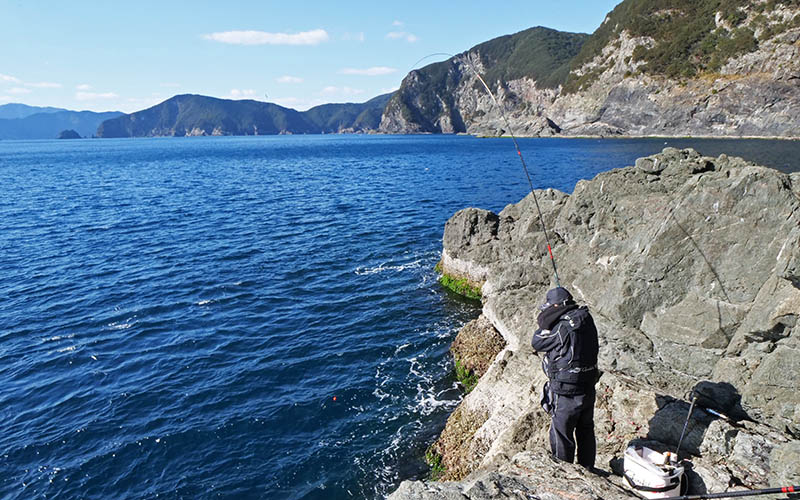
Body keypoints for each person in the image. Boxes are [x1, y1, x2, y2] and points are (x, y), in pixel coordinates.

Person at [531, 286, 599, 468]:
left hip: (566, 390)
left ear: (556, 306)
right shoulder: (586, 318)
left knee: (562, 433)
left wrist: (546, 322)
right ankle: (588, 468)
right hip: (588, 385)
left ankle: (565, 471)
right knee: (586, 429)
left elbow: (537, 342)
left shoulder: (562, 327)